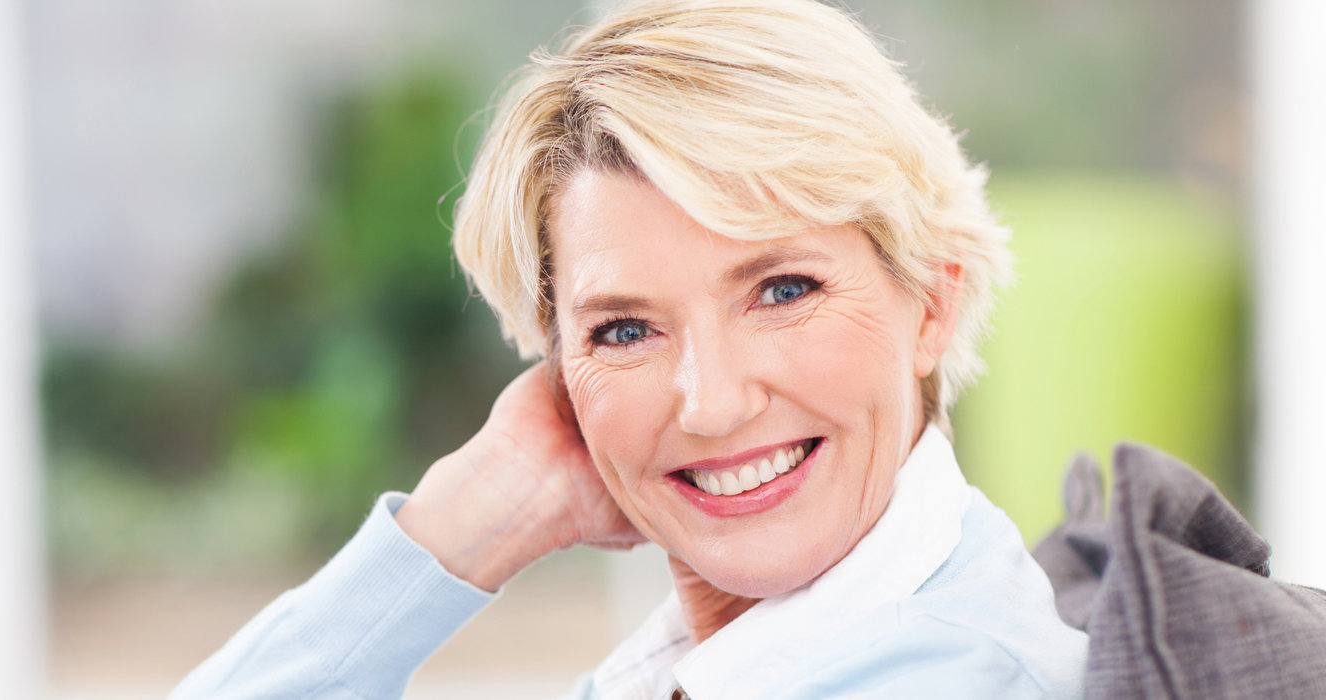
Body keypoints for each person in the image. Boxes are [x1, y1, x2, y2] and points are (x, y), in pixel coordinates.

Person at [172, 0, 1087, 697]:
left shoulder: (945, 677)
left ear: (931, 301)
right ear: (559, 371)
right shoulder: (723, 663)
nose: (713, 401)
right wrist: (468, 519)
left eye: (782, 290)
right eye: (625, 330)